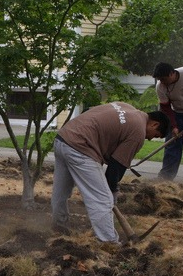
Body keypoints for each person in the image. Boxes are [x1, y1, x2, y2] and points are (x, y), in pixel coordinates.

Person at [51, 102, 169, 247]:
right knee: (102, 199)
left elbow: (89, 109)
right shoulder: (138, 132)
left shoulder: (125, 107)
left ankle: (59, 226)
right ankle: (109, 243)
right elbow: (115, 167)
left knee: (61, 191)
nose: (150, 139)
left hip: (63, 138)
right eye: (155, 136)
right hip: (81, 147)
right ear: (154, 125)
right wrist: (111, 192)